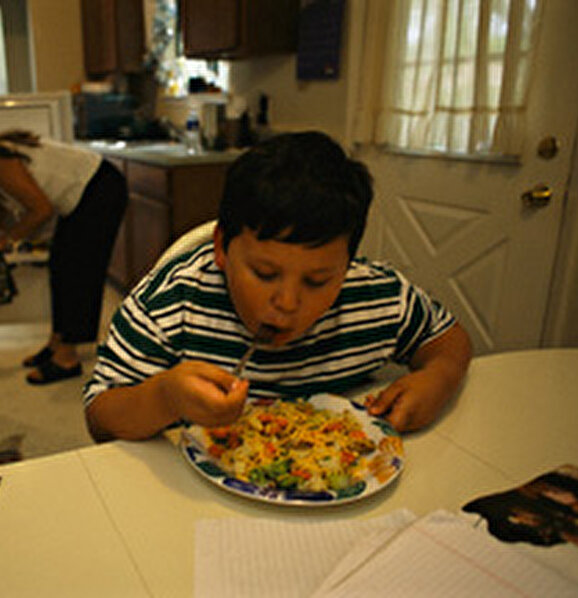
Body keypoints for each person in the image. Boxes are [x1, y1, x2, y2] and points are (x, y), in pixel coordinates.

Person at [83, 131, 471, 440]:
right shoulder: (168, 306)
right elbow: (100, 419)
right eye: (265, 274)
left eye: (318, 280)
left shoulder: (376, 296)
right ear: (221, 247)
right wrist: (164, 398)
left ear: (348, 265)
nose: (287, 302)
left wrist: (440, 376)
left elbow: (446, 337)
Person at [0, 124, 128, 384]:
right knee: (61, 267)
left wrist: (7, 240)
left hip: (99, 188)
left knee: (78, 272)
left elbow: (41, 210)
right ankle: (56, 344)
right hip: (83, 193)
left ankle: (67, 359)